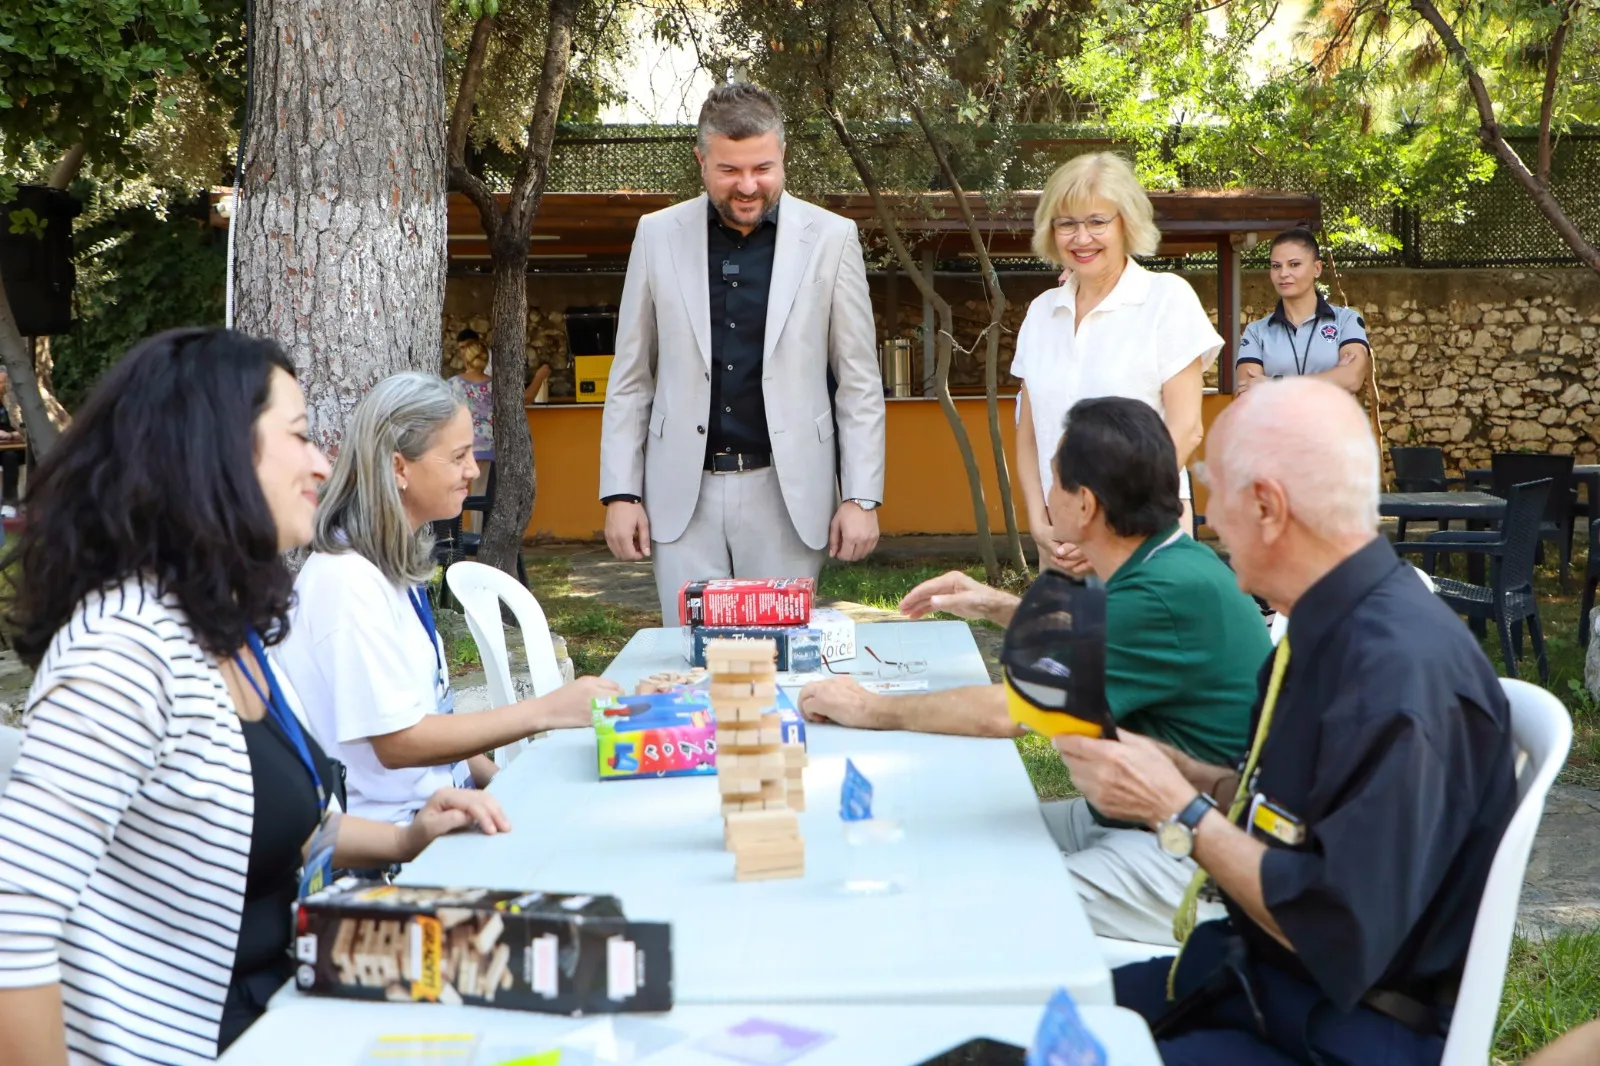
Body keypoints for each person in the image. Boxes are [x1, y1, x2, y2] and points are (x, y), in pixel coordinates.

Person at [0, 329, 509, 1064]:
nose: (324, 462)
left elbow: (279, 829)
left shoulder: (223, 627)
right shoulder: (123, 652)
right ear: (214, 455)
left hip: (288, 1013)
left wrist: (409, 835)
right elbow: (15, 922)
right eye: (299, 437)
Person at [1056, 378, 1518, 1064]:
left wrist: (1175, 809)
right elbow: (1294, 822)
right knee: (1015, 1020)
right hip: (1255, 984)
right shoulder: (1330, 629)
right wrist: (1196, 777)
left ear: (1268, 507)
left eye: (1213, 489)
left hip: (1337, 1034)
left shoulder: (1399, 676)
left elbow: (1334, 925)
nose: (1206, 518)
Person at [799, 396, 1269, 943]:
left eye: (1054, 480)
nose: (1047, 496)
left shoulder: (1162, 594)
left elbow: (1008, 712)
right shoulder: (1169, 561)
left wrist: (870, 708)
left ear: (1085, 504)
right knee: (935, 839)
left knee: (959, 905)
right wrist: (995, 604)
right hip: (1133, 819)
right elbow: (1096, 638)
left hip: (1192, 854)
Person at [276, 372, 619, 825]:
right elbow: (400, 741)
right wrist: (543, 712)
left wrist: (498, 783)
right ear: (399, 468)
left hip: (441, 815)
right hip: (395, 849)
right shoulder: (347, 583)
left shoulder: (388, 563)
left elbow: (431, 713)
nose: (474, 470)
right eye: (458, 456)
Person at [599, 82, 886, 622]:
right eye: (730, 170)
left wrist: (862, 496)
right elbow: (632, 376)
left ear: (782, 157)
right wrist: (620, 493)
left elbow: (858, 382)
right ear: (701, 161)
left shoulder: (832, 238)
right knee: (691, 663)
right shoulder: (656, 235)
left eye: (763, 168)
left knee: (780, 662)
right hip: (679, 497)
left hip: (787, 494)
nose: (748, 186)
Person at [1012, 152, 1221, 574]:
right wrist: (1038, 520)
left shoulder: (1167, 299)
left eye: (1096, 221)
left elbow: (1185, 429)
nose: (1081, 238)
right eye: (1066, 223)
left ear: (1127, 222)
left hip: (1143, 535)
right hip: (1062, 541)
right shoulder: (1040, 312)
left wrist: (1109, 527)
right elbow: (1029, 433)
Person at [1234, 227, 1371, 397]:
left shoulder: (1346, 321)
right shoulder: (1256, 331)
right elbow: (1248, 394)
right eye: (1276, 266)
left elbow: (1351, 379)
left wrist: (1274, 383)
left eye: (1294, 264)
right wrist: (1332, 378)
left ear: (1317, 268)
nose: (1283, 273)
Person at [0, 365, 26, 506]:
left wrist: (11, 435)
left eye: (3, 382)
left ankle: (11, 502)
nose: (1, 386)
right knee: (8, 456)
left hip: (16, 445)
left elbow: (26, 427)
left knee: (11, 456)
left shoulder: (16, 402)